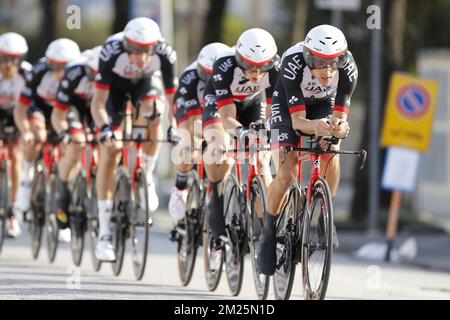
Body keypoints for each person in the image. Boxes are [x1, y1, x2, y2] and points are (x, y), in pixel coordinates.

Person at [258, 24, 358, 275]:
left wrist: (338, 129)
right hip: (290, 107)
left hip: (323, 103)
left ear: (341, 59)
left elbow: (340, 117)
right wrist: (317, 127)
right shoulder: (292, 64)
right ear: (307, 57)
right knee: (287, 170)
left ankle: (326, 215)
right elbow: (298, 122)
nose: (327, 71)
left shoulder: (348, 70)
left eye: (332, 63)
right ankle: (268, 235)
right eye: (319, 63)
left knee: (331, 150)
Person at [91, 17, 177, 261]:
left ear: (155, 47)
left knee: (154, 110)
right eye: (134, 51)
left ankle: (146, 174)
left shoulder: (165, 55)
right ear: (126, 45)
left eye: (146, 51)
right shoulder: (110, 53)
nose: (140, 58)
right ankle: (105, 233)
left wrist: (175, 127)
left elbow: (173, 102)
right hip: (115, 92)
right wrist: (105, 128)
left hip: (146, 85)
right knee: (111, 151)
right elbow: (97, 103)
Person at [201, 28, 280, 269]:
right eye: (250, 67)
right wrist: (241, 133)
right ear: (239, 60)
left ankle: (264, 228)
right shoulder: (224, 65)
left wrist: (265, 133)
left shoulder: (275, 69)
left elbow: (275, 110)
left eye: (262, 68)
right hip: (220, 106)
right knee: (221, 145)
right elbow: (227, 118)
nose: (256, 74)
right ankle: (215, 194)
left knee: (263, 160)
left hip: (252, 104)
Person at [13, 38, 80, 242]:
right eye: (54, 66)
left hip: (66, 110)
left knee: (75, 145)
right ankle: (27, 175)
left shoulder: (79, 75)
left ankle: (63, 189)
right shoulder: (38, 73)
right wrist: (26, 131)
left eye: (64, 68)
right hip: (40, 108)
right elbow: (20, 108)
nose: (59, 72)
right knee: (38, 137)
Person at [168, 42, 230, 238]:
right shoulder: (190, 77)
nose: (211, 79)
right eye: (206, 75)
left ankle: (216, 189)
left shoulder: (229, 74)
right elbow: (196, 121)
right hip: (189, 106)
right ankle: (180, 186)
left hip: (215, 109)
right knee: (192, 140)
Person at [51, 46, 101, 231]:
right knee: (77, 143)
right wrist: (64, 133)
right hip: (74, 106)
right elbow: (58, 113)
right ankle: (62, 191)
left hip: (99, 105)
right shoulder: (74, 73)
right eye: (93, 75)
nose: (97, 79)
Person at [0, 32, 31, 237]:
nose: (9, 64)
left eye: (14, 59)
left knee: (17, 156)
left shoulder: (27, 75)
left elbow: (34, 105)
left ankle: (12, 211)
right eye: (4, 58)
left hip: (17, 114)